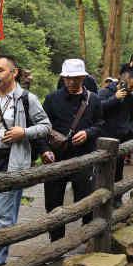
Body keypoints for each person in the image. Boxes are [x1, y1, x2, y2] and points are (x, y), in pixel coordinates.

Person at [0, 55, 51, 266]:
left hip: (11, 164)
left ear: (13, 73)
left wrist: (23, 132)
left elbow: (45, 126)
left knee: (3, 216)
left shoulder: (26, 99)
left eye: (0, 71)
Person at [42, 59, 106, 241]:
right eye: (68, 79)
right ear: (63, 78)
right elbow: (43, 128)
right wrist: (45, 150)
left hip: (83, 158)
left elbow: (100, 124)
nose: (71, 82)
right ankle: (56, 243)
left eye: (76, 79)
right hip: (56, 159)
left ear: (83, 78)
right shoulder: (52, 99)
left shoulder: (93, 100)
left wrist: (88, 133)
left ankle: (88, 238)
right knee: (53, 205)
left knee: (86, 202)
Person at [98, 63, 133, 202]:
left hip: (122, 140)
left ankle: (117, 198)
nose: (132, 90)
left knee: (118, 171)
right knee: (103, 172)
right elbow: (98, 110)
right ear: (122, 82)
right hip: (105, 139)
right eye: (130, 87)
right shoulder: (105, 92)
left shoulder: (131, 97)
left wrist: (130, 129)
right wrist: (115, 99)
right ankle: (102, 200)